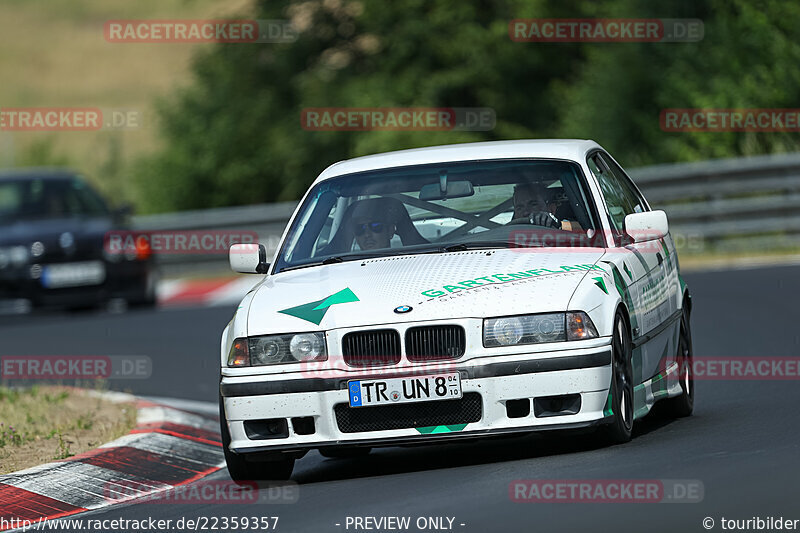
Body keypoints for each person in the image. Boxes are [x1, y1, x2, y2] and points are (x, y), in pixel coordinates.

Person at [510, 182, 582, 231]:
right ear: (515, 214)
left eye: (533, 204)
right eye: (519, 208)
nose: (525, 212)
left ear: (551, 209)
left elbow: (587, 231)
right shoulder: (506, 235)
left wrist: (558, 225)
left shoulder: (560, 226)